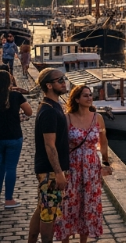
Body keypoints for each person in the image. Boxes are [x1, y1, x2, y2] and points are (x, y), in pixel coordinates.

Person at [54, 84, 113, 243]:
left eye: (90, 95)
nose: (89, 98)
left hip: (92, 167)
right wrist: (60, 170)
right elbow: (60, 145)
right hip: (72, 167)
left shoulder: (98, 118)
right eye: (85, 95)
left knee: (89, 204)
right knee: (69, 205)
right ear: (77, 99)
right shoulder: (67, 119)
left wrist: (106, 162)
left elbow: (103, 142)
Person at [28, 68, 71, 243]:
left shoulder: (53, 106)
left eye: (64, 78)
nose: (63, 81)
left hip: (49, 170)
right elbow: (49, 145)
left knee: (42, 208)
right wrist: (59, 172)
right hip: (50, 172)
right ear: (49, 85)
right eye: (59, 79)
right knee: (49, 214)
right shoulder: (49, 111)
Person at [1, 70, 32, 208]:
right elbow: (29, 112)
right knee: (11, 168)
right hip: (14, 136)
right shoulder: (15, 96)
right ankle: (9, 200)